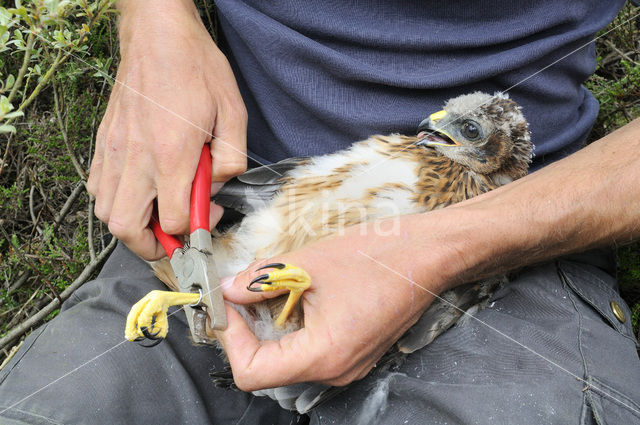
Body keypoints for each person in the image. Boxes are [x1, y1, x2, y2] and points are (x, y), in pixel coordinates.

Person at [1, 0, 639, 424]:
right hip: (228, 215)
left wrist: (441, 248)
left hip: (514, 253)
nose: (436, 125)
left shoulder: (485, 176)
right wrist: (157, 24)